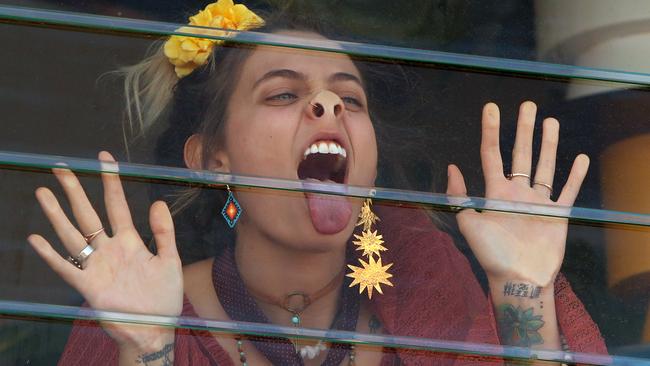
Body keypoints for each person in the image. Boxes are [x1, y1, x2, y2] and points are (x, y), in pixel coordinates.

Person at [27, 1, 606, 365]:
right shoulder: (140, 310)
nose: (328, 104)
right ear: (212, 160)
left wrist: (520, 286)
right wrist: (150, 350)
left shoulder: (436, 298)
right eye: (283, 93)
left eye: (349, 98)